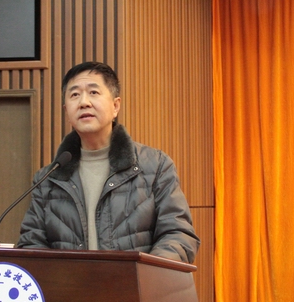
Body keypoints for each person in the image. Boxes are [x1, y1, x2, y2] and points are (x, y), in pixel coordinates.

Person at [17, 61, 199, 263]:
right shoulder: (48, 179)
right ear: (67, 111)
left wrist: (145, 274)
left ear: (115, 106)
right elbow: (31, 244)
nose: (84, 102)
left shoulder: (155, 166)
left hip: (136, 283)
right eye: (75, 95)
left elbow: (178, 235)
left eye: (93, 92)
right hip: (69, 284)